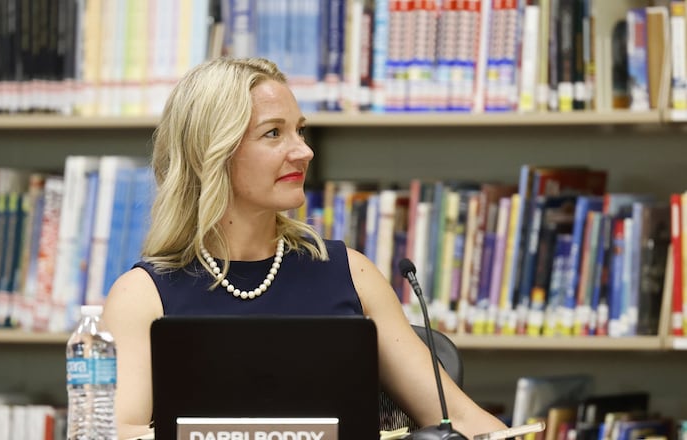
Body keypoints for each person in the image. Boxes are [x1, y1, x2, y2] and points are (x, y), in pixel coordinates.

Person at [102, 57, 508, 440]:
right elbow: (120, 433)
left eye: (300, 130)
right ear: (212, 152)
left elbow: (460, 419)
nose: (304, 151)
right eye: (274, 133)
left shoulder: (351, 272)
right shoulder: (140, 296)